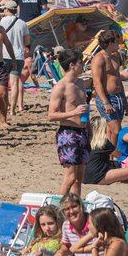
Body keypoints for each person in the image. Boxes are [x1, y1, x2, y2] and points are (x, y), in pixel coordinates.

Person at [48, 48, 91, 196]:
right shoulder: (60, 87)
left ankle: (76, 206)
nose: (83, 65)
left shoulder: (81, 83)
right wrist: (74, 112)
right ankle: (58, 208)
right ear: (72, 65)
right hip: (68, 133)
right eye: (80, 63)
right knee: (70, 177)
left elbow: (84, 108)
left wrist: (89, 129)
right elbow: (51, 115)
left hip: (83, 132)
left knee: (79, 178)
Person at [91, 30, 127, 150]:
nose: (119, 44)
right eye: (116, 42)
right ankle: (114, 155)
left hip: (119, 96)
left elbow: (117, 78)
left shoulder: (115, 56)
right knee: (117, 130)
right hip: (107, 97)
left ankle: (109, 157)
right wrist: (105, 102)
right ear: (110, 43)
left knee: (112, 131)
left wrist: (125, 100)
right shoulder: (99, 58)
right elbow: (97, 82)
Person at [83, 116, 128, 185]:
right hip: (99, 176)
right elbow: (119, 155)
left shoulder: (85, 141)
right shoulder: (103, 143)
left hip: (84, 175)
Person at [0, 0, 31, 116]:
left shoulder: (2, 21)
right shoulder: (22, 23)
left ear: (7, 10)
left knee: (3, 83)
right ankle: (12, 110)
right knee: (14, 84)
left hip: (4, 55)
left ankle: (4, 106)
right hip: (18, 56)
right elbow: (27, 41)